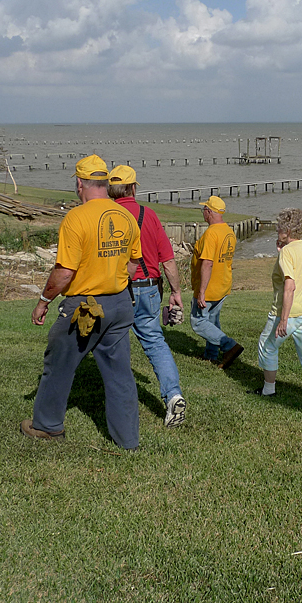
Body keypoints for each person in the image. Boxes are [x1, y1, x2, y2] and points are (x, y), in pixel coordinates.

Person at [22, 155, 143, 450]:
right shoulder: (126, 216)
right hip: (119, 303)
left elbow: (64, 273)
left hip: (86, 308)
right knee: (119, 373)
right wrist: (111, 279)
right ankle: (128, 439)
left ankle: (47, 425)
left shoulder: (76, 218)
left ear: (79, 184)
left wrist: (43, 300)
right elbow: (133, 264)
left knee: (60, 364)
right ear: (104, 183)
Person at [108, 165, 187, 427]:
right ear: (132, 188)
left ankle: (119, 404)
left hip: (117, 290)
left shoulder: (106, 215)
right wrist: (176, 292)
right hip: (149, 289)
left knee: (113, 345)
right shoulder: (148, 215)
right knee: (154, 342)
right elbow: (168, 261)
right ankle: (173, 395)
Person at [251, 208, 302, 405]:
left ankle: (268, 390)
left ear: (287, 229)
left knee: (267, 346)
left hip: (289, 311)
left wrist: (284, 320)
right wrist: (282, 251)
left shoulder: (287, 252)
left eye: (279, 226)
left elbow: (290, 286)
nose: (277, 229)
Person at [190, 195, 241, 368]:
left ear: (209, 212)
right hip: (223, 284)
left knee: (198, 322)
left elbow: (208, 263)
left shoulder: (211, 233)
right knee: (212, 320)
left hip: (209, 287)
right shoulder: (228, 231)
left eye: (204, 209)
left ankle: (229, 346)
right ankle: (211, 355)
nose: (203, 212)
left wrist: (201, 292)